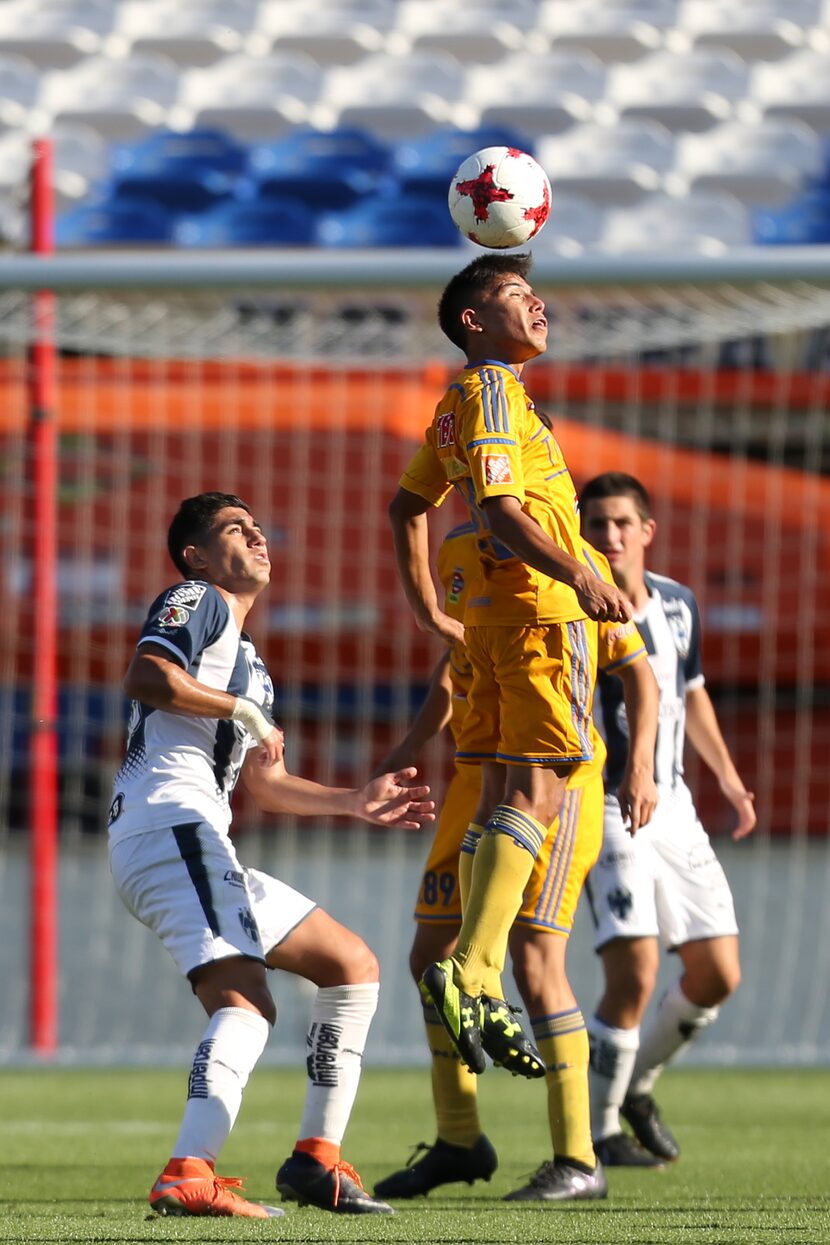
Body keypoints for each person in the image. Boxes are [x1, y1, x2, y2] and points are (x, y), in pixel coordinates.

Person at [108, 492, 435, 1219]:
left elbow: (265, 782)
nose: (257, 533)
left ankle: (317, 1161)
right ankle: (187, 1170)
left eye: (258, 525)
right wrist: (244, 712)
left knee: (350, 964)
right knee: (247, 1003)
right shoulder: (197, 597)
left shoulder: (248, 661)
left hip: (196, 835)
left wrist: (354, 799)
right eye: (234, 526)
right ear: (194, 553)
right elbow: (147, 676)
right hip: (170, 826)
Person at [388, 251, 632, 1088]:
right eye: (517, 296)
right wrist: (582, 571)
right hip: (538, 620)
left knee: (499, 795)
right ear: (473, 324)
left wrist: (428, 607)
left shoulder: (458, 405)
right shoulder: (490, 392)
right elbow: (497, 508)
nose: (540, 306)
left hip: (490, 630)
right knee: (544, 789)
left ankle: (475, 971)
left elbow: (406, 506)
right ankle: (478, 971)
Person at [374, 521, 659, 1202]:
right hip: (476, 779)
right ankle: (460, 1138)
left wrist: (639, 762)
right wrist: (406, 752)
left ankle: (578, 1158)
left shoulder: (576, 560)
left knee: (534, 962)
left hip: (553, 783)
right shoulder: (454, 550)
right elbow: (457, 669)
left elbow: (637, 671)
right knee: (428, 956)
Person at [579, 472, 757, 1167]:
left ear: (646, 531)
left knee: (717, 972)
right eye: (596, 523)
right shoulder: (570, 605)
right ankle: (594, 1140)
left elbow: (691, 693)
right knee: (637, 971)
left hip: (676, 806)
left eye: (623, 522)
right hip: (606, 803)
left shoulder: (679, 604)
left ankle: (635, 1087)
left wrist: (731, 779)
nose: (610, 535)